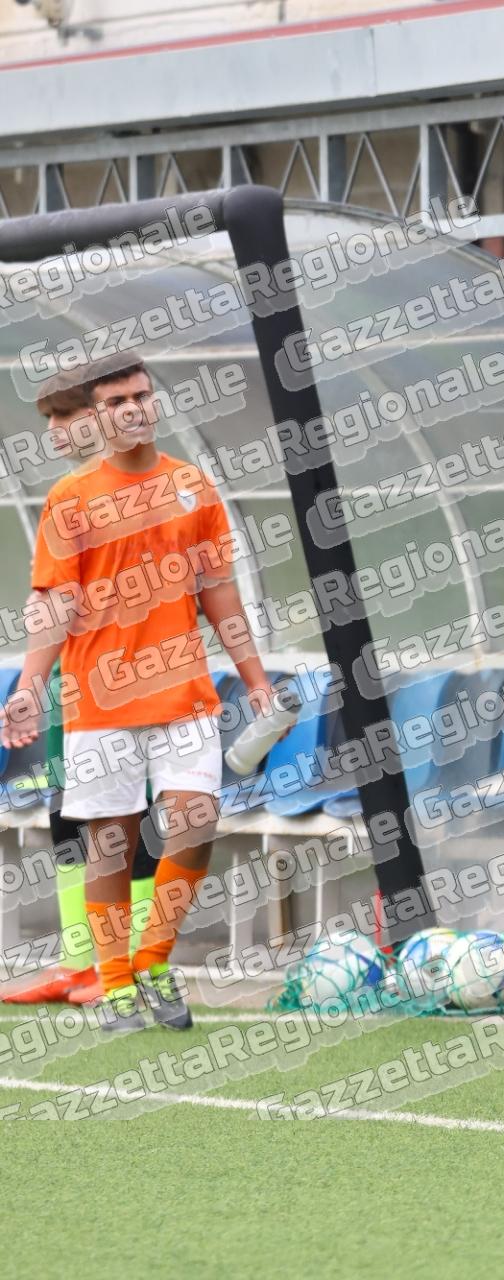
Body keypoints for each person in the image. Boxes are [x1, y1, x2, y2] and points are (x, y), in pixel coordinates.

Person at [2, 356, 275, 1033]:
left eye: (142, 396)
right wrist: (30, 687)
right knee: (111, 845)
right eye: (117, 401)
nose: (133, 409)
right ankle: (116, 984)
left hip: (185, 694)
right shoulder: (70, 498)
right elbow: (55, 603)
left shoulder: (193, 486)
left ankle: (152, 961)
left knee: (195, 823)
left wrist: (255, 678)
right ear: (97, 417)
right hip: (99, 701)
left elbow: (218, 591)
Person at [0, 378, 160, 1006]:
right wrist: (34, 685)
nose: (53, 430)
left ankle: (131, 968)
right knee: (66, 819)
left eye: (64, 416)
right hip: (77, 687)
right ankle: (78, 965)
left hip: (135, 684)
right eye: (50, 418)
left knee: (126, 824)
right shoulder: (68, 494)